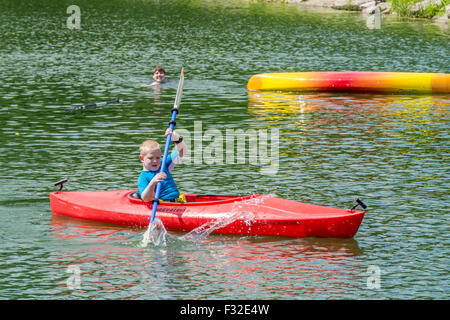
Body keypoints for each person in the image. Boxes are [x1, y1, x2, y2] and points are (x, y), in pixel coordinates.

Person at [138, 128, 186, 202]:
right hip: (164, 206)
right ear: (142, 159)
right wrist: (152, 183)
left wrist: (176, 137)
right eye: (150, 158)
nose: (155, 161)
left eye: (158, 157)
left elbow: (181, 151)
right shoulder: (143, 177)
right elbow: (145, 199)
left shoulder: (163, 164)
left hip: (178, 202)